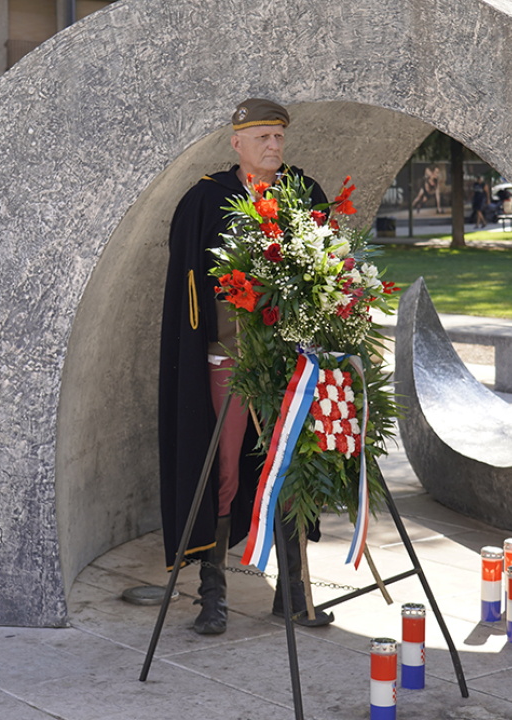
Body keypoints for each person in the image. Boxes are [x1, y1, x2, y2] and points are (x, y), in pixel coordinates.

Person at [159, 98, 332, 636]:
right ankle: (213, 596)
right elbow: (189, 285)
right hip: (227, 364)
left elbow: (329, 270)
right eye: (262, 138)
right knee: (226, 474)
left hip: (289, 366)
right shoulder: (206, 201)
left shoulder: (303, 195)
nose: (274, 146)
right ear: (237, 143)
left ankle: (294, 592)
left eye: (279, 137)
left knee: (290, 472)